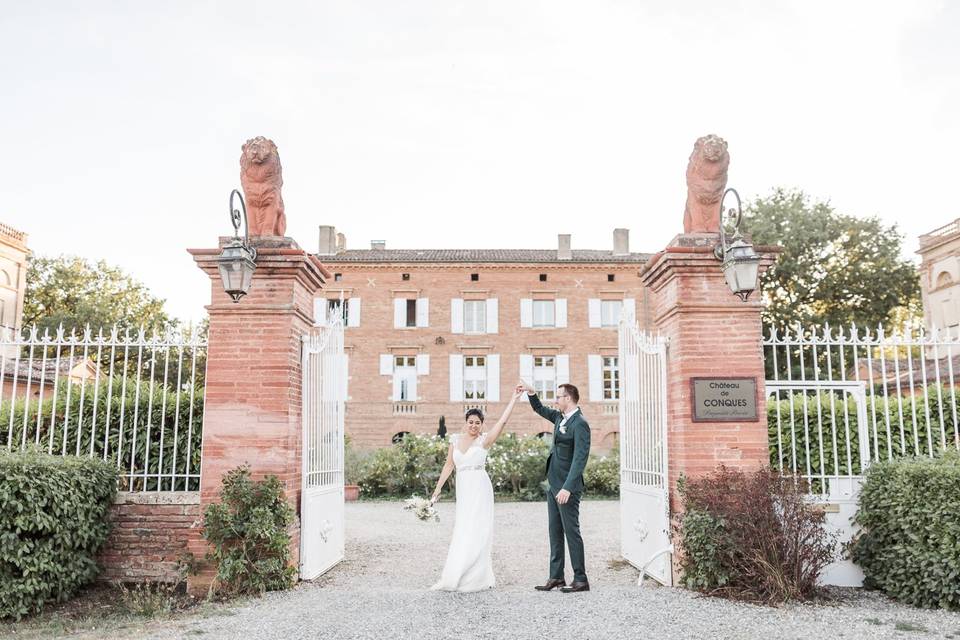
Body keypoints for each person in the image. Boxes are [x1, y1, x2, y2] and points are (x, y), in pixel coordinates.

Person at [429, 387, 524, 592]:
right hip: (464, 489)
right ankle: (456, 572)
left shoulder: (485, 440)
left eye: (477, 423)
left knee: (478, 529)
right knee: (463, 528)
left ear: (482, 425)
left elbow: (503, 422)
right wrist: (437, 490)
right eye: (470, 422)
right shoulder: (455, 440)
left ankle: (475, 576)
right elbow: (448, 466)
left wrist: (513, 399)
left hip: (480, 488)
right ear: (466, 422)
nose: (473, 425)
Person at [521, 380, 591, 593]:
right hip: (554, 484)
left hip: (567, 488)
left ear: (568, 398)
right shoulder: (560, 417)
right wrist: (532, 392)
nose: (555, 399)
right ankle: (556, 577)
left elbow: (580, 458)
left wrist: (568, 487)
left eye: (558, 396)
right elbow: (539, 408)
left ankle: (581, 579)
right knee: (555, 531)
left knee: (572, 532)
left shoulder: (580, 423)